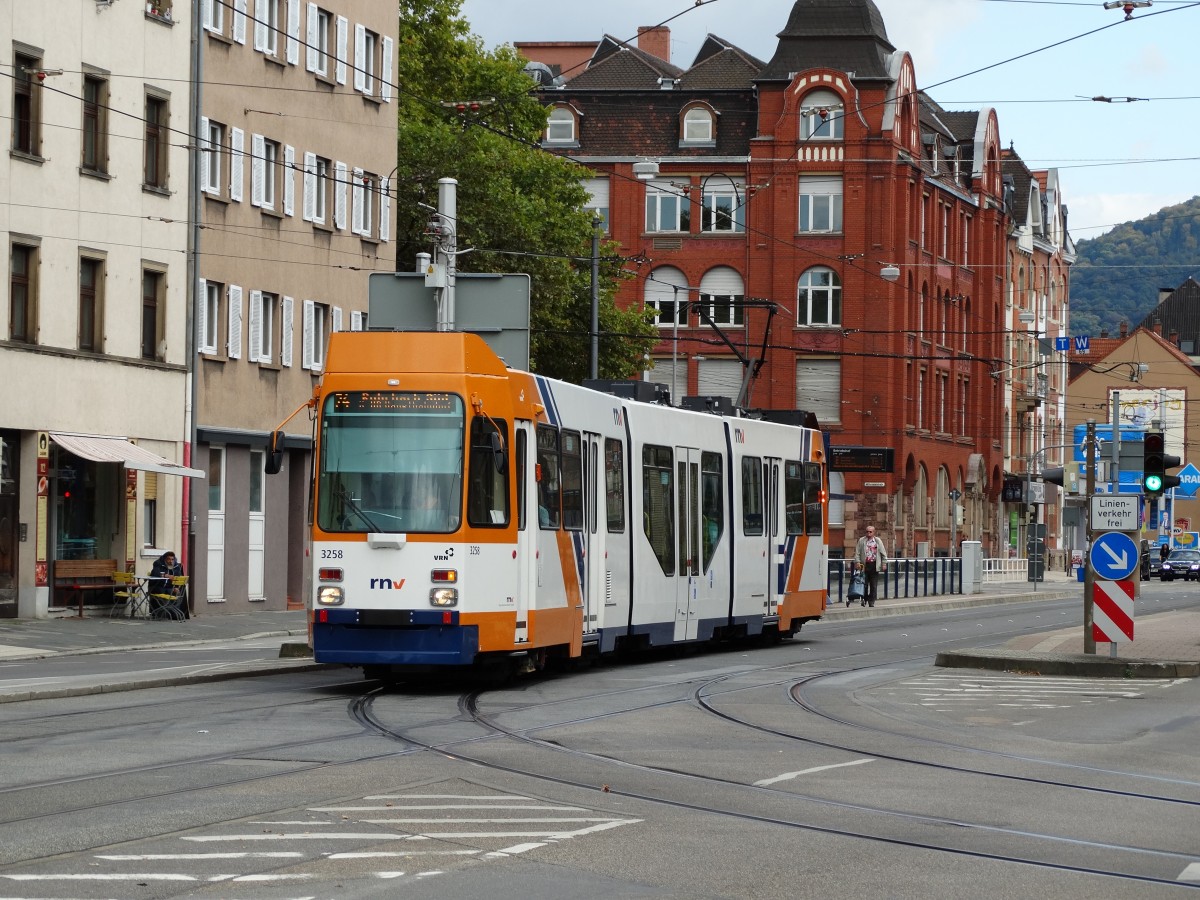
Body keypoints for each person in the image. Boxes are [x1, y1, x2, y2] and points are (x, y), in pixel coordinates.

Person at [853, 525, 888, 608]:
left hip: (874, 565)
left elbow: (883, 553)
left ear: (874, 532)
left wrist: (884, 563)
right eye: (867, 532)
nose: (868, 533)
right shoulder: (862, 540)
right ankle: (864, 600)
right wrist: (857, 562)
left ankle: (871, 601)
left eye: (870, 532)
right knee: (864, 584)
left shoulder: (878, 541)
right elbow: (857, 552)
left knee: (873, 585)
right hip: (864, 565)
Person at [149, 550, 187, 619]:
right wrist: (166, 575)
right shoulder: (158, 564)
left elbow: (178, 578)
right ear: (164, 559)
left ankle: (173, 615)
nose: (170, 561)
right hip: (158, 585)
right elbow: (154, 574)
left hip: (170, 587)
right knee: (161, 591)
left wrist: (176, 586)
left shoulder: (176, 567)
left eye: (172, 559)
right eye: (168, 559)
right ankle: (160, 614)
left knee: (173, 592)